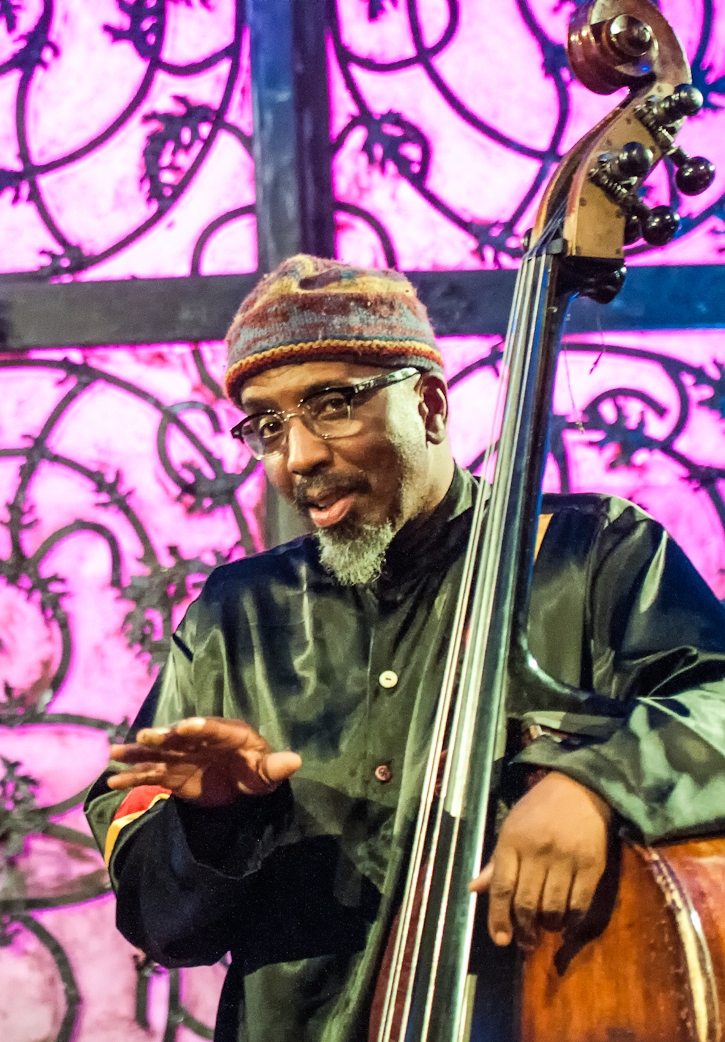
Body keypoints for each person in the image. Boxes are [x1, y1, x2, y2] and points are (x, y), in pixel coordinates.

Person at [85, 255, 725, 1041]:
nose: (300, 458)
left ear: (427, 403)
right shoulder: (234, 617)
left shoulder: (590, 558)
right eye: (268, 426)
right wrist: (210, 819)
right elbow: (161, 927)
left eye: (331, 404)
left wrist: (595, 784)